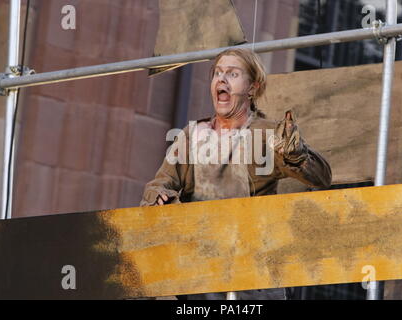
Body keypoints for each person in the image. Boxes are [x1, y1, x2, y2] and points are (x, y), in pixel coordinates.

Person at [140, 48, 332, 299]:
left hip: (248, 276)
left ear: (253, 88)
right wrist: (160, 197)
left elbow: (322, 177)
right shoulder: (191, 135)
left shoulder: (267, 134)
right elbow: (159, 184)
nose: (221, 79)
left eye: (232, 74)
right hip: (196, 269)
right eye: (217, 73)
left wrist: (297, 155)